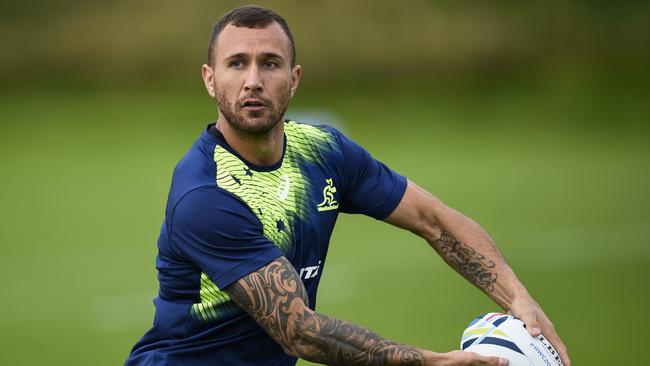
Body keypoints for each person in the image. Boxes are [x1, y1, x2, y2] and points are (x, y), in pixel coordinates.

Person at [125, 5, 571, 366]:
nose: (253, 81)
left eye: (270, 64)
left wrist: (519, 298)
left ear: (294, 79)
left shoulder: (323, 152)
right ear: (210, 79)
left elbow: (435, 220)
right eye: (237, 64)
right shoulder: (206, 194)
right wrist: (434, 362)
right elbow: (298, 330)